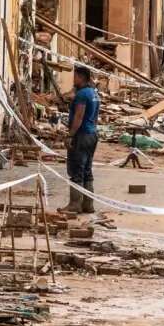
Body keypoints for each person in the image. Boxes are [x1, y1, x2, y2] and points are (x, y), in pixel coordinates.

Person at [63, 66, 101, 215]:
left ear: (81, 77)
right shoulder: (94, 94)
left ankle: (74, 204)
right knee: (87, 170)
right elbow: (96, 117)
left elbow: (79, 116)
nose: (74, 79)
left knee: (76, 170)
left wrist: (71, 135)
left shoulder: (82, 95)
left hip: (82, 135)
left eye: (75, 76)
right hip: (92, 134)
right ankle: (88, 204)